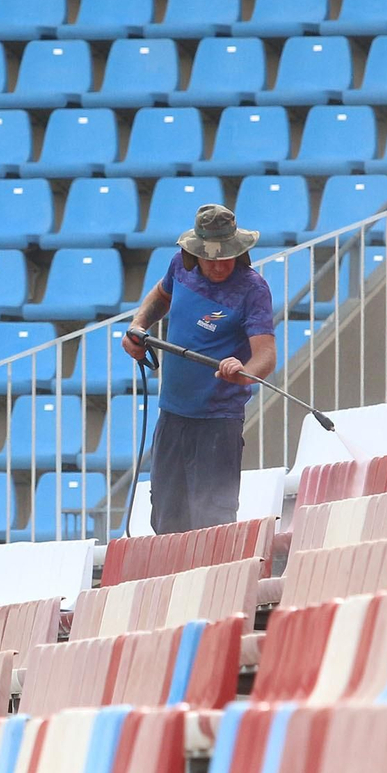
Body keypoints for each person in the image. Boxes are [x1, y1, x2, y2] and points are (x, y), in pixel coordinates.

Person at [122, 203, 276, 534]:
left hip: (217, 422)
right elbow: (161, 295)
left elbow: (265, 356)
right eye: (210, 258)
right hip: (172, 415)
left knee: (212, 520)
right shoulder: (179, 266)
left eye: (226, 257)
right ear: (194, 254)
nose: (219, 265)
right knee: (166, 515)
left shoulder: (252, 289)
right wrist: (138, 326)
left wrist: (243, 370)